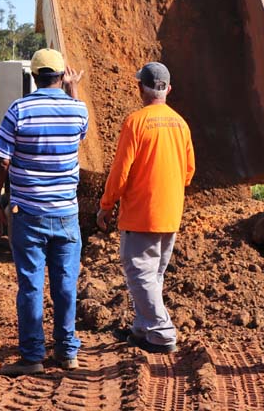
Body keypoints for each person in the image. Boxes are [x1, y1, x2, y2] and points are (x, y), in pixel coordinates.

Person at [0, 48, 88, 376]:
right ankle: (67, 352)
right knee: (65, 283)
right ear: (61, 76)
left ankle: (32, 358)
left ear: (34, 77)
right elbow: (80, 134)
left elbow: (2, 160)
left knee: (31, 284)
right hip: (66, 213)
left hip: (27, 212)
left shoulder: (19, 110)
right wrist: (74, 91)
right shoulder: (78, 111)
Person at [96, 62, 195, 354]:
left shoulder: (136, 122)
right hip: (170, 213)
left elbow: (121, 172)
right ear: (169, 89)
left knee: (139, 271)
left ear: (140, 87)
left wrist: (107, 204)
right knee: (154, 275)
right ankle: (142, 328)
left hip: (142, 214)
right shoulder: (180, 123)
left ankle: (162, 332)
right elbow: (189, 171)